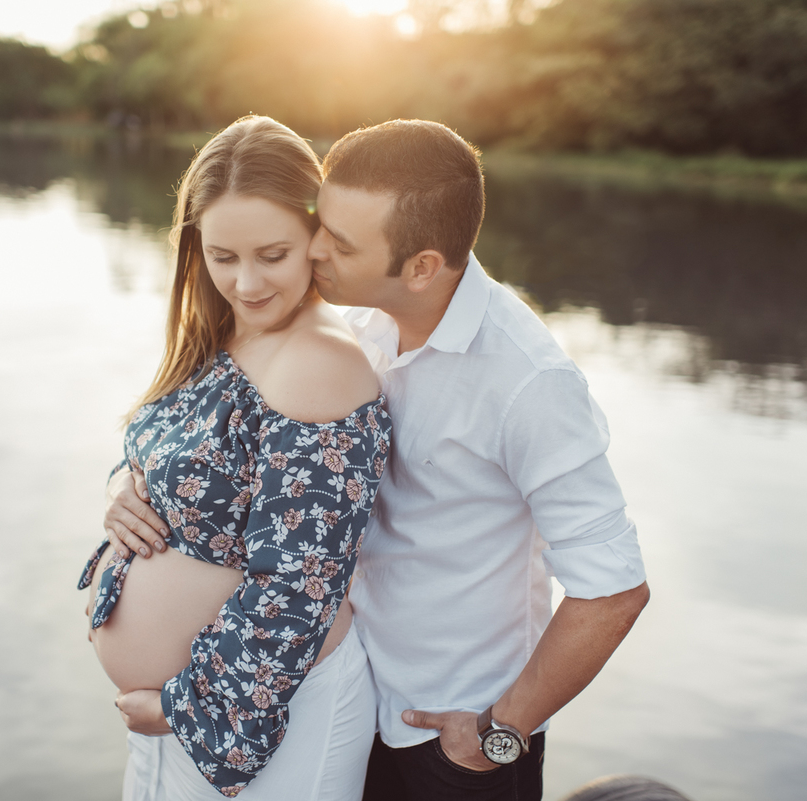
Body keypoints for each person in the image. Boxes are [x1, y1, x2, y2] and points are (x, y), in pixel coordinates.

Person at [108, 119, 649, 801]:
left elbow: (615, 590)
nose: (315, 247)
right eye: (318, 222)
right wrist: (131, 488)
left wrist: (499, 734)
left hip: (450, 733)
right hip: (354, 695)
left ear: (422, 266)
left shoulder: (527, 382)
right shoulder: (359, 319)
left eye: (338, 241)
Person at [81, 115, 393, 800]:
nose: (246, 282)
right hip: (186, 710)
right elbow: (168, 446)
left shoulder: (318, 361)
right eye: (223, 257)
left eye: (271, 254)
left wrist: (188, 710)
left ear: (317, 234)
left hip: (259, 716)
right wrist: (124, 494)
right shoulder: (225, 328)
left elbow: (299, 584)